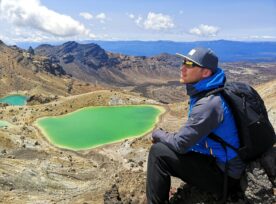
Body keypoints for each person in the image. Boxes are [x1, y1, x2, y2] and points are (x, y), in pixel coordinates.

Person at [146, 47, 246, 203]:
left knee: (158, 153)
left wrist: (158, 133)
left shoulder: (208, 104)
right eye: (183, 62)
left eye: (189, 64)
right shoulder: (209, 92)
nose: (182, 68)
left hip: (224, 174)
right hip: (218, 162)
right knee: (165, 147)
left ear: (205, 73)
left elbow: (180, 144)